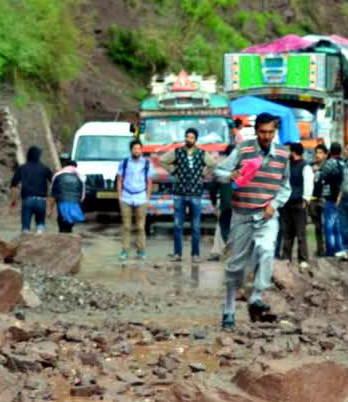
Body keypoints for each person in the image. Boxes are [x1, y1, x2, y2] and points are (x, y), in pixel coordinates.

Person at [214, 113, 291, 330]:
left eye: (271, 132)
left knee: (266, 251)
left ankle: (257, 295)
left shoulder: (283, 154)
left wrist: (274, 205)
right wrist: (231, 176)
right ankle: (228, 309)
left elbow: (285, 186)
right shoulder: (244, 149)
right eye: (263, 132)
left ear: (275, 132)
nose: (267, 136)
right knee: (235, 266)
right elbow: (219, 171)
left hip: (267, 214)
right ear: (256, 131)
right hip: (242, 214)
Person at [159, 127, 216, 263]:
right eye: (187, 137)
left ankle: (195, 254)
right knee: (178, 225)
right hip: (179, 193)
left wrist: (203, 173)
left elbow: (212, 164)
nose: (188, 139)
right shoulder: (177, 152)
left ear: (195, 139)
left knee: (195, 226)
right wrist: (173, 170)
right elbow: (163, 160)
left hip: (195, 194)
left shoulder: (201, 153)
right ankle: (177, 254)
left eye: (191, 137)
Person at [116, 139, 152, 261]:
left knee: (140, 226)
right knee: (126, 226)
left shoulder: (146, 163)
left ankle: (141, 250)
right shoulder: (124, 162)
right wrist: (120, 196)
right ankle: (124, 251)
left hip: (141, 197)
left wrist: (147, 197)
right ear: (131, 150)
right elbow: (120, 179)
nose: (136, 151)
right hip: (126, 197)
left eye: (139, 149)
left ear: (141, 150)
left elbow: (149, 181)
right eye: (134, 148)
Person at [280, 142, 314, 268]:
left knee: (300, 233)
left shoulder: (305, 166)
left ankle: (303, 260)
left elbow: (308, 183)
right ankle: (286, 258)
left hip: (299, 203)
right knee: (287, 233)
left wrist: (306, 199)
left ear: (293, 152)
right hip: (287, 203)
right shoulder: (287, 165)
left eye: (289, 151)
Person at [9, 145, 54, 233]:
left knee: (25, 228)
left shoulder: (22, 168)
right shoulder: (45, 168)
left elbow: (14, 185)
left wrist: (14, 200)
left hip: (27, 200)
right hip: (41, 200)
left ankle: (25, 243)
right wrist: (51, 204)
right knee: (40, 224)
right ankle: (39, 239)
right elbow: (55, 184)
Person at [49, 160, 86, 233]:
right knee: (70, 221)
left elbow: (53, 193)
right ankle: (69, 235)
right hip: (74, 201)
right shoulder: (80, 176)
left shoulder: (57, 175)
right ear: (75, 166)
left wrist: (50, 209)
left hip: (61, 201)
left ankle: (63, 236)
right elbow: (82, 195)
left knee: (62, 220)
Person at [309, 144, 328, 258]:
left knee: (327, 225)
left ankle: (328, 248)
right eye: (316, 152)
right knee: (317, 226)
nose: (318, 155)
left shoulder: (328, 166)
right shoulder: (310, 167)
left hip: (325, 199)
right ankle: (320, 249)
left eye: (320, 153)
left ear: (325, 155)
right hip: (313, 199)